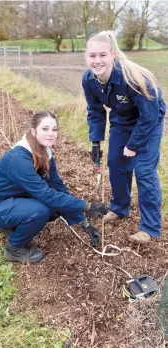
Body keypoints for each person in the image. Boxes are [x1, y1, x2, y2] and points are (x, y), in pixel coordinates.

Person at [0, 111, 109, 263]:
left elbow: (58, 188)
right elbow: (47, 195)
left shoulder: (44, 152)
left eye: (54, 129)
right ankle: (14, 249)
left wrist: (84, 223)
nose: (51, 134)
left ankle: (12, 224)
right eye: (45, 129)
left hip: (11, 199)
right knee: (41, 210)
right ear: (33, 131)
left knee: (55, 207)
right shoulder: (19, 159)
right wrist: (87, 205)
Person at [82, 30, 166, 244]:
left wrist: (134, 145)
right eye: (92, 56)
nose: (97, 60)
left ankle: (150, 227)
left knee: (144, 169)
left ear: (113, 55)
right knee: (116, 161)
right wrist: (95, 140)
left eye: (102, 55)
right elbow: (95, 110)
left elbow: (148, 116)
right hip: (122, 116)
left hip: (150, 119)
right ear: (86, 56)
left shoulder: (134, 78)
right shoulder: (89, 79)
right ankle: (119, 207)